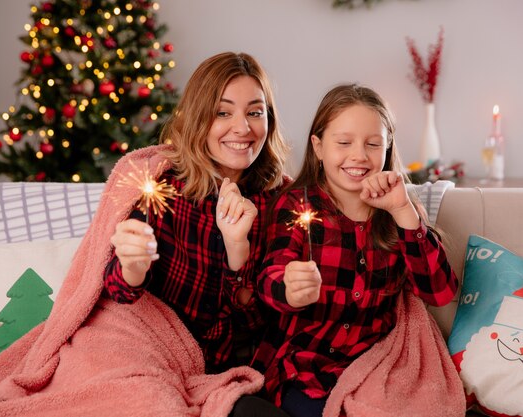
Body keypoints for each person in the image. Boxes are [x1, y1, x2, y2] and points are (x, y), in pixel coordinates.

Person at [252, 84, 459, 417]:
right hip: (305, 371)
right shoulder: (296, 205)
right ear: (318, 147)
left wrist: (403, 211)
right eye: (344, 143)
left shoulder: (401, 212)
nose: (359, 156)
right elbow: (269, 277)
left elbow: (440, 292)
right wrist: (287, 287)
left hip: (373, 372)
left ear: (387, 146)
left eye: (373, 144)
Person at [103, 52, 291, 417]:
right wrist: (133, 267)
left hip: (233, 378)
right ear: (197, 117)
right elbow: (117, 295)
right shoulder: (160, 187)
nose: (242, 128)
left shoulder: (283, 203)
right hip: (154, 367)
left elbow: (268, 326)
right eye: (223, 112)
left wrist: (238, 251)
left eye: (255, 112)